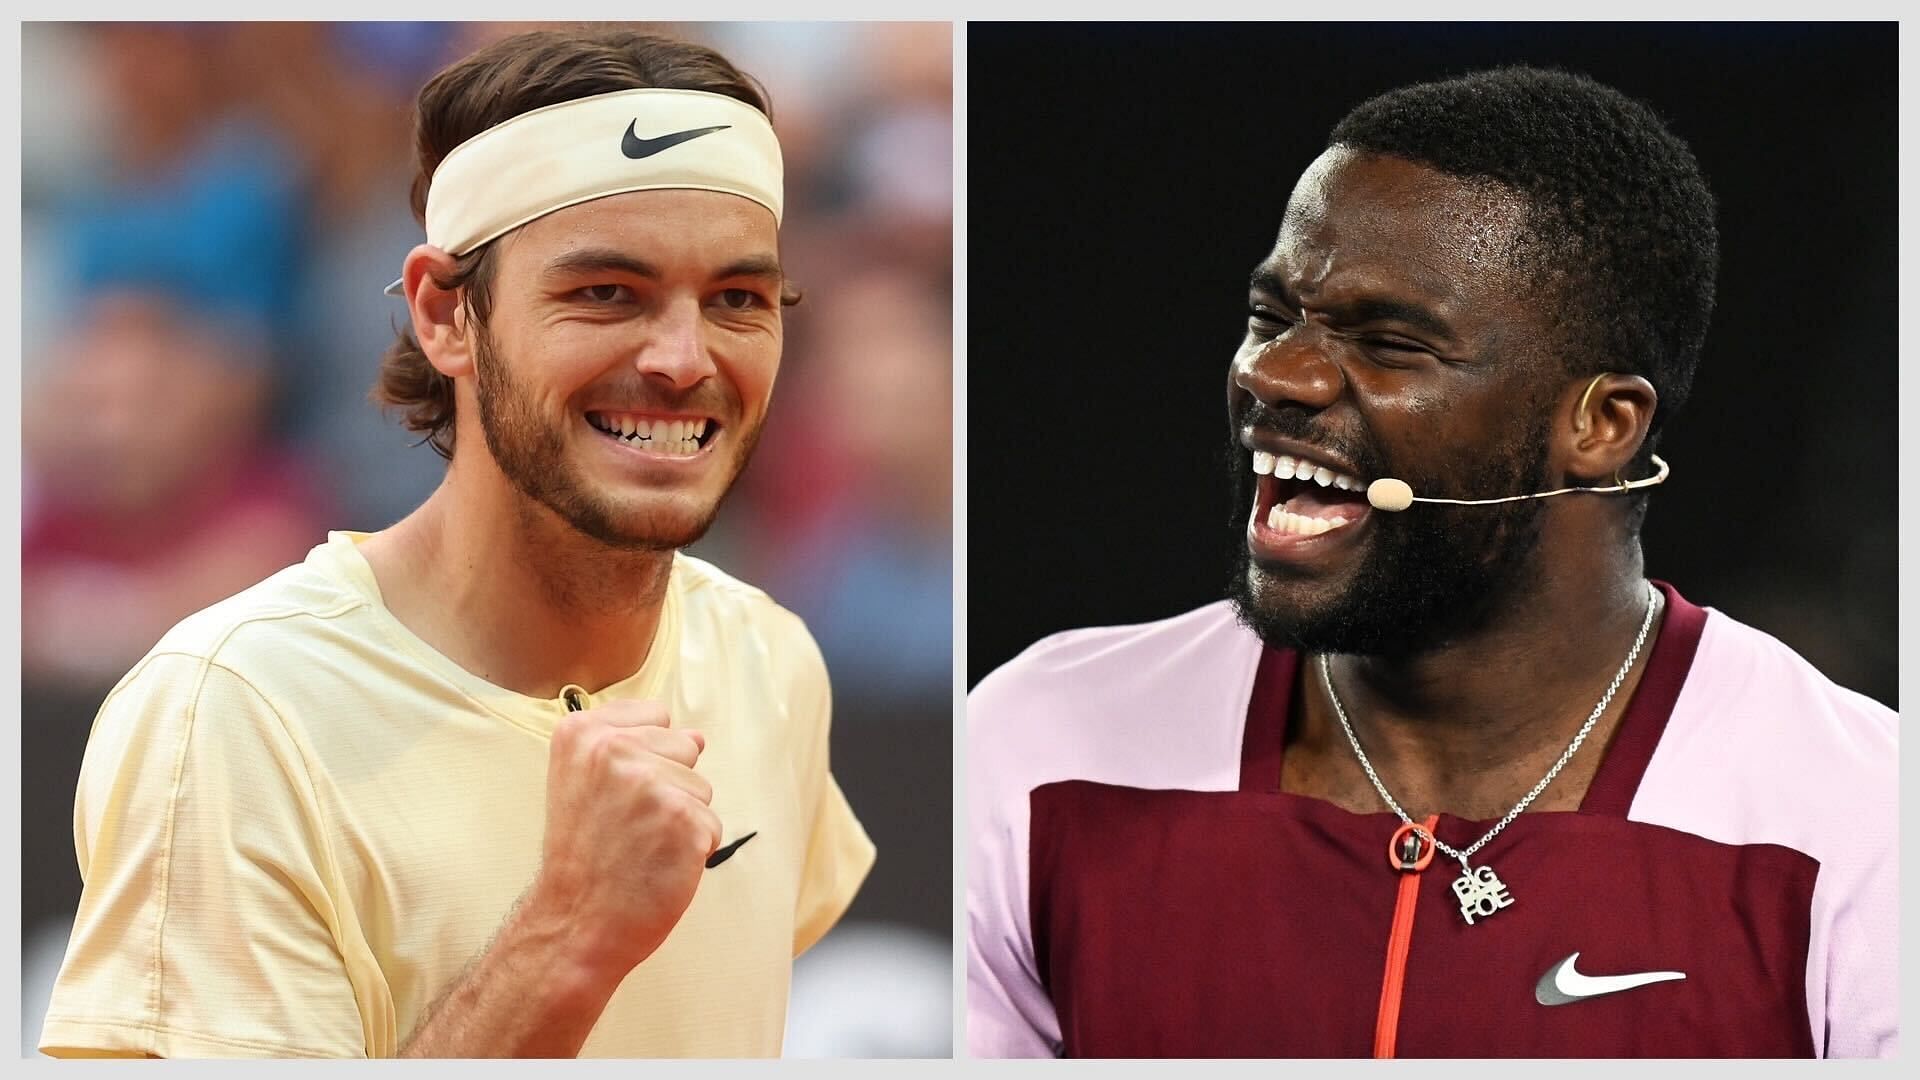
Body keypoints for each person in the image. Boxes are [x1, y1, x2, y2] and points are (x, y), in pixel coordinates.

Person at [966, 66, 1895, 1059]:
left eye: (1390, 344)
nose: (1272, 374)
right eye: (1273, 314)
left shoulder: (1864, 824)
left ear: (1602, 425)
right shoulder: (1040, 741)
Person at [41, 27, 874, 1058]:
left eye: (739, 299)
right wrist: (568, 933)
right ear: (445, 314)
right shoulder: (229, 713)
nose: (682, 358)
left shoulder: (771, 658)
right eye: (605, 292)